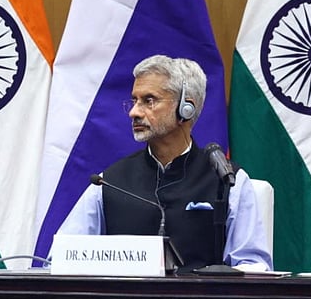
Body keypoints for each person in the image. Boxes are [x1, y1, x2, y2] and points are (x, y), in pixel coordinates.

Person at [53, 55, 272, 272]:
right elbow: (61, 260)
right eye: (135, 100)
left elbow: (252, 268)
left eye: (149, 101)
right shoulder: (108, 182)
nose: (134, 112)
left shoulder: (227, 181)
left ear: (186, 109)